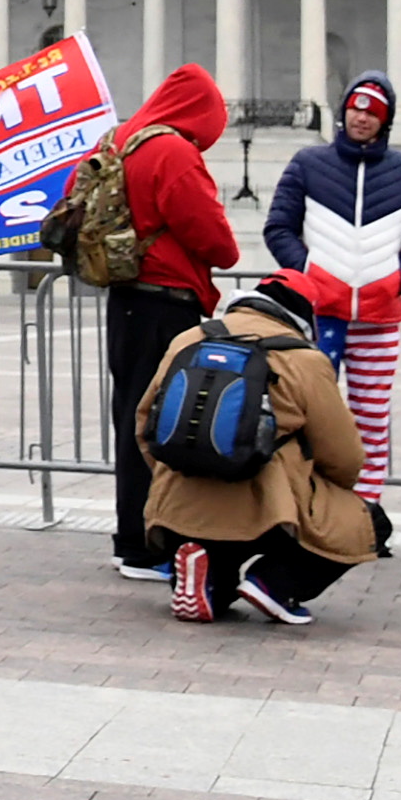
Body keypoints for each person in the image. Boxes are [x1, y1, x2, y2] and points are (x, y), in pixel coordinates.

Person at [140, 277, 384, 623]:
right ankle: (274, 584)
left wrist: (175, 469)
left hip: (178, 507)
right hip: (269, 508)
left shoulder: (189, 339)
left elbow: (144, 423)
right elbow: (343, 454)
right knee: (368, 521)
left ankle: (203, 578)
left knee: (216, 581)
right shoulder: (303, 359)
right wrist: (325, 486)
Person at [262, 70, 401, 503]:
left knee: (371, 419)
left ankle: (366, 509)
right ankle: (303, 503)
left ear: (386, 120)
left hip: (378, 318)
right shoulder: (308, 163)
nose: (363, 118)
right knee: (308, 415)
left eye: (373, 112)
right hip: (321, 316)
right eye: (356, 108)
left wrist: (398, 280)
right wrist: (309, 275)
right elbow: (278, 227)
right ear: (343, 113)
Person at [95, 64, 236, 583]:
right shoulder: (172, 151)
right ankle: (146, 544)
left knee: (131, 416)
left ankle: (130, 534)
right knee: (159, 424)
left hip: (126, 300)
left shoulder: (120, 141)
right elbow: (213, 236)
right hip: (165, 302)